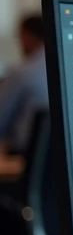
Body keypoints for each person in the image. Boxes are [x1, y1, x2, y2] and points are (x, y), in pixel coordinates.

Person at [0, 14, 49, 155]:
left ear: (27, 36)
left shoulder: (21, 73)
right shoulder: (65, 68)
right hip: (60, 161)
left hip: (25, 157)